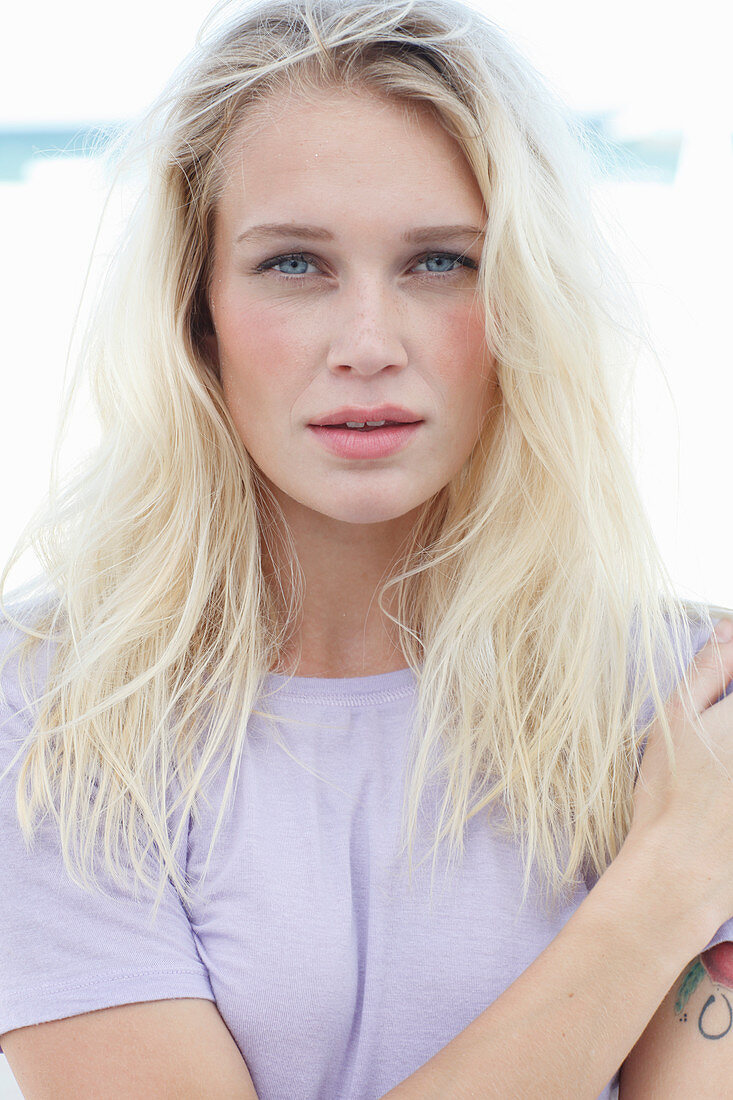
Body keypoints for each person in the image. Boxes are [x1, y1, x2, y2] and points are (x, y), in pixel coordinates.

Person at [0, 0, 732, 1096]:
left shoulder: (685, 699)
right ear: (194, 309)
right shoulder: (55, 707)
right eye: (294, 265)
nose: (368, 345)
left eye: (440, 262)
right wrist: (662, 888)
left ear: (525, 295)